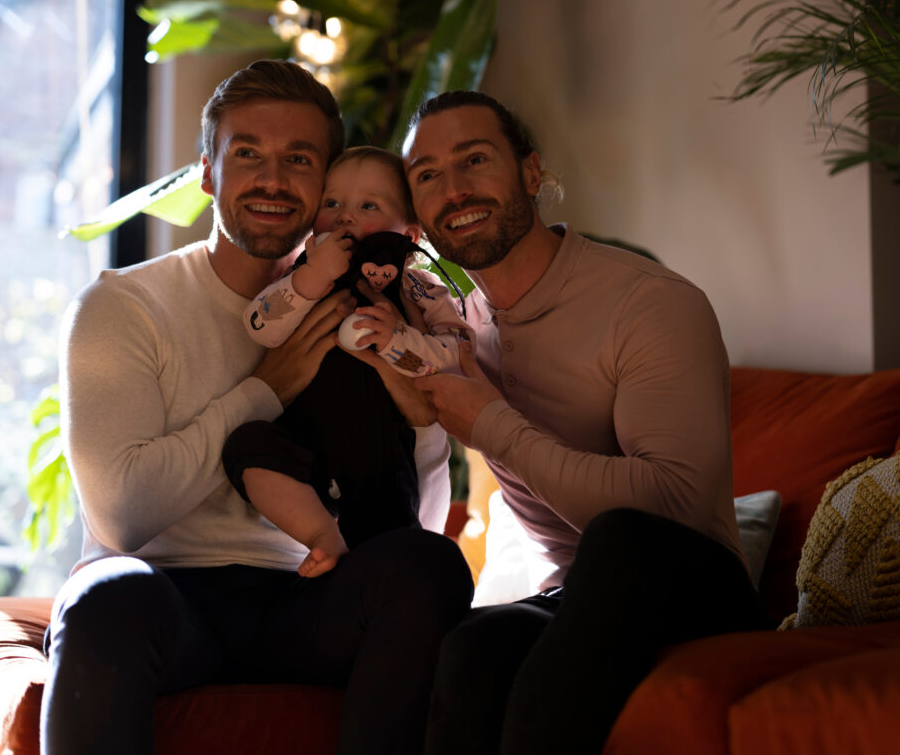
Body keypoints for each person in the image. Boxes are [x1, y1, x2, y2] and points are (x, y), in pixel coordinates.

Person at [42, 60, 473, 755]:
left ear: (324, 184)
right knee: (102, 598)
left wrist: (410, 404)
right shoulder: (123, 308)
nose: (273, 180)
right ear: (209, 172)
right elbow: (121, 518)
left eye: (298, 160)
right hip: (167, 595)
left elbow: (410, 522)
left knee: (431, 566)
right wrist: (265, 389)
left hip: (311, 596)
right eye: (248, 154)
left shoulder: (373, 308)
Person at [402, 91, 777, 755]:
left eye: (474, 159)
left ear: (531, 173)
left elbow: (673, 507)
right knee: (472, 649)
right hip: (572, 600)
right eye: (427, 175)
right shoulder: (460, 328)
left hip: (693, 587)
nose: (454, 189)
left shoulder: (649, 304)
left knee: (622, 543)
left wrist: (490, 420)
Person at [222, 146, 472, 577]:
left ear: (410, 235)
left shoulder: (421, 290)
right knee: (247, 447)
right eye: (332, 203)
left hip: (379, 455)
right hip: (302, 441)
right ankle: (323, 536)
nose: (344, 217)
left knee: (395, 546)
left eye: (368, 206)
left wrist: (398, 340)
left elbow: (455, 355)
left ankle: (367, 580)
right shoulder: (304, 273)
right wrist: (309, 280)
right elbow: (260, 326)